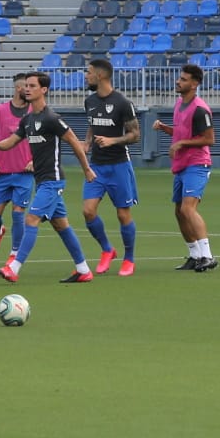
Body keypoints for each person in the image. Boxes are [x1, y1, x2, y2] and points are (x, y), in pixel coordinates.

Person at [0, 71, 97, 284]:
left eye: (31, 86)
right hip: (42, 182)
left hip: (53, 180)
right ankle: (83, 270)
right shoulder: (28, 119)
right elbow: (13, 140)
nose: (26, 89)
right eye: (25, 86)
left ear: (44, 90)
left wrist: (86, 169)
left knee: (31, 219)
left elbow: (75, 142)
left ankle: (14, 267)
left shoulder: (51, 118)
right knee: (61, 226)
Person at [151, 63, 216, 272]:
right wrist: (165, 129)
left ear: (195, 84)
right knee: (179, 212)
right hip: (181, 164)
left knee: (188, 208)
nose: (178, 82)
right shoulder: (179, 104)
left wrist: (182, 144)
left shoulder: (200, 109)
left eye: (184, 79)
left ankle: (207, 255)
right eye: (179, 78)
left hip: (197, 164)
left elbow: (209, 139)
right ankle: (194, 255)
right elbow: (183, 134)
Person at [80, 58, 139, 277]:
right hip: (96, 165)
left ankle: (129, 259)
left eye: (89, 72)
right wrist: (87, 142)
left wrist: (112, 141)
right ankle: (107, 249)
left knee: (123, 214)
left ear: (101, 75)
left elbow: (135, 135)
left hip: (119, 166)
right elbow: (92, 124)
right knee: (88, 211)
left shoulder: (123, 103)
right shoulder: (90, 101)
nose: (86, 76)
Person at [0, 72, 34, 256]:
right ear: (18, 88)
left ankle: (14, 255)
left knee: (18, 213)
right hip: (3, 172)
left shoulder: (35, 111)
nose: (29, 90)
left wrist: (34, 160)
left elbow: (45, 140)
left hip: (24, 173)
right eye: (26, 87)